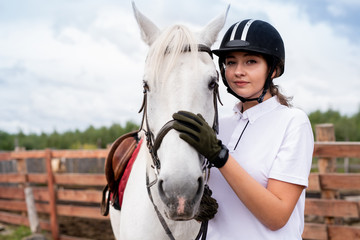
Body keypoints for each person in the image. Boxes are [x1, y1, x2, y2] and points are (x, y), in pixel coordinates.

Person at [172, 19, 314, 239]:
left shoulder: (294, 122)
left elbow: (276, 217)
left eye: (251, 62)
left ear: (273, 69)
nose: (238, 71)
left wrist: (221, 157)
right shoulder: (219, 125)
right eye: (230, 62)